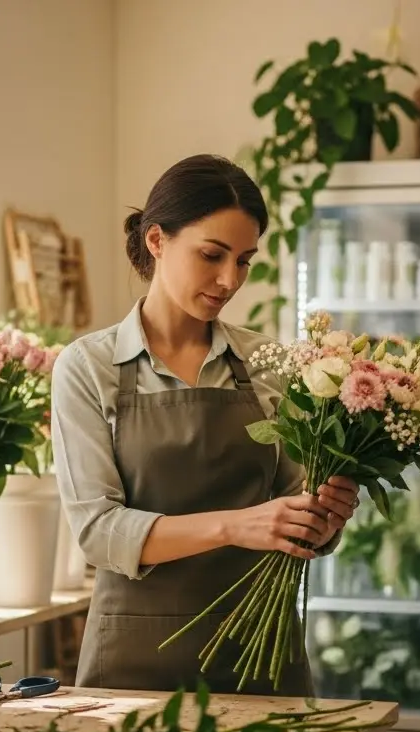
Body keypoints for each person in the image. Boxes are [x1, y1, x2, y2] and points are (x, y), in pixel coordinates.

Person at [49, 154, 360, 697]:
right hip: (134, 670)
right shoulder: (89, 367)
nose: (229, 280)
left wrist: (324, 516)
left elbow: (290, 509)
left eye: (244, 261)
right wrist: (236, 526)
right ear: (157, 241)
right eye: (212, 255)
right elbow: (98, 532)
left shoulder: (267, 363)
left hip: (260, 655)